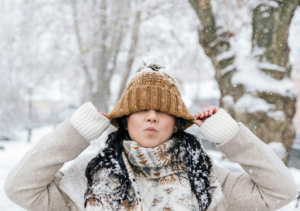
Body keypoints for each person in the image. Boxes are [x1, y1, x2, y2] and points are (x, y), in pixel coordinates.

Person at [4, 59, 298, 211]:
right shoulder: (86, 177)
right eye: (141, 108)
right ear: (124, 119)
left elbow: (281, 191)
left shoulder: (208, 179)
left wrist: (231, 136)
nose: (152, 116)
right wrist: (75, 133)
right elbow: (20, 188)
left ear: (177, 122)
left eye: (162, 110)